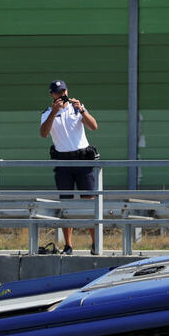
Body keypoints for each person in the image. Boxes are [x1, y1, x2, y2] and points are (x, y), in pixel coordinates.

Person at [39, 79, 98, 255]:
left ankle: (95, 243)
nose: (62, 95)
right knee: (66, 205)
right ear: (51, 95)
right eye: (58, 93)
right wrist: (54, 112)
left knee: (90, 203)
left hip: (82, 161)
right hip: (63, 162)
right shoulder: (47, 113)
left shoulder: (77, 108)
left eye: (63, 91)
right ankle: (69, 245)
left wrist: (83, 110)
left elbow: (94, 126)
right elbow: (43, 133)